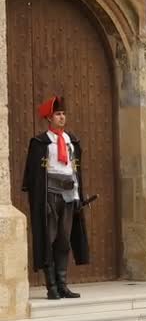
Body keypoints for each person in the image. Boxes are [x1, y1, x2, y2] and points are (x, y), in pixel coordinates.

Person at [22, 96, 89, 299]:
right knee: (48, 239)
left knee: (63, 240)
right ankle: (51, 286)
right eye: (58, 114)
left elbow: (75, 171)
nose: (62, 117)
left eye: (63, 114)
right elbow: (34, 175)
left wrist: (77, 195)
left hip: (68, 195)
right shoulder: (40, 143)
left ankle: (63, 284)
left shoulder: (72, 141)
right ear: (49, 118)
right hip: (50, 195)